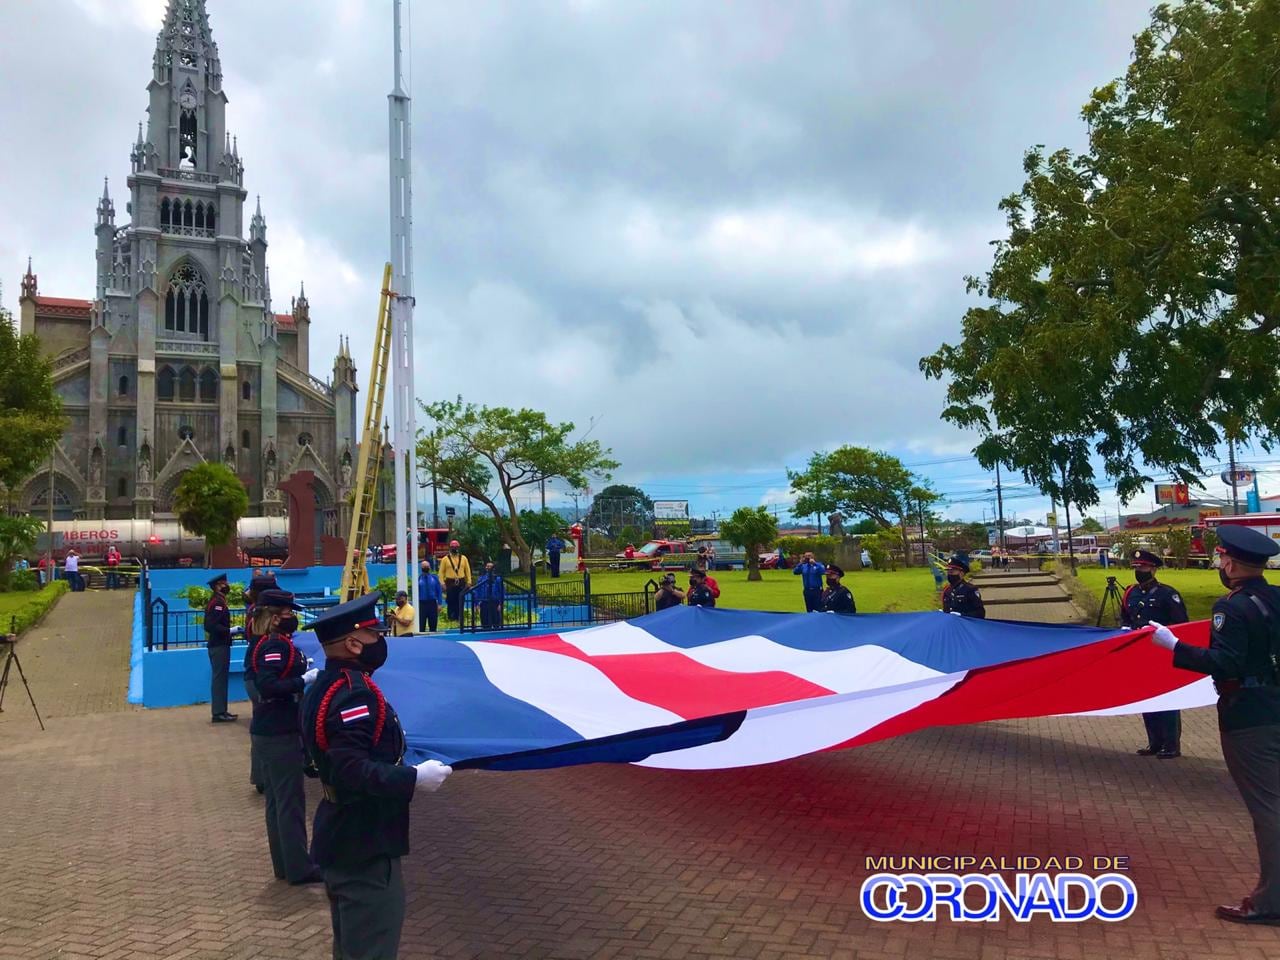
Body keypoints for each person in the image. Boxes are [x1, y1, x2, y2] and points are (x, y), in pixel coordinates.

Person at [301, 593, 452, 959]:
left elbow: (314, 760)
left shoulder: (324, 685)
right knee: (371, 949)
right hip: (363, 842)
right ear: (353, 644)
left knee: (353, 948)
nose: (380, 641)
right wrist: (412, 779)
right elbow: (348, 768)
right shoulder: (355, 695)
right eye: (374, 635)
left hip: (341, 833)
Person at [1149, 524, 1280, 925]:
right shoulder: (1276, 597)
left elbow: (1226, 663)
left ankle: (1270, 902)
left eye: (1222, 557)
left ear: (1233, 563)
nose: (1220, 564)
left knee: (1268, 808)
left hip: (1250, 715)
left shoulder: (1232, 607)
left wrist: (1175, 647)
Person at [244, 588, 322, 885]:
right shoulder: (273, 645)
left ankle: (285, 864)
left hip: (271, 730)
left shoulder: (271, 642)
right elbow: (268, 685)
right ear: (275, 618)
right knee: (289, 803)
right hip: (279, 731)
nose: (293, 618)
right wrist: (302, 680)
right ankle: (299, 868)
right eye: (289, 614)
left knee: (278, 803)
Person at [1122, 549, 1188, 758]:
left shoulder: (1168, 594)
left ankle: (1171, 744)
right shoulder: (1131, 593)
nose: (1139, 571)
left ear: (1153, 568)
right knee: (1147, 698)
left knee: (1167, 700)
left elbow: (1181, 625)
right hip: (1141, 655)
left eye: (1142, 567)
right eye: (1136, 567)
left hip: (1162, 655)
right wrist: (1125, 629)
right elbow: (1126, 618)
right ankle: (1154, 742)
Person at [243, 570, 280, 793]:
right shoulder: (261, 620)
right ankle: (266, 776)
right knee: (268, 730)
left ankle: (261, 777)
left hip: (253, 677)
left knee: (261, 727)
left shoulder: (254, 614)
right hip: (260, 680)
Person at [204, 573, 236, 723]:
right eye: (224, 583)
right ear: (218, 586)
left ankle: (222, 710)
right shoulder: (217, 602)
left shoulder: (219, 600)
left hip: (221, 644)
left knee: (222, 679)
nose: (227, 585)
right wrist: (229, 631)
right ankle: (218, 712)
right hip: (219, 645)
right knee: (219, 679)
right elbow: (210, 625)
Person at [941, 553, 986, 619]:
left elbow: (980, 613)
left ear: (961, 574)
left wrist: (962, 615)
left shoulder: (970, 589)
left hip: (966, 625)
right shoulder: (947, 590)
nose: (949, 575)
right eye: (948, 572)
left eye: (952, 572)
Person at [438, 541, 472, 622]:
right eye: (453, 547)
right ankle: (451, 618)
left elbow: (467, 571)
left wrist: (469, 582)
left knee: (460, 601)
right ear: (450, 548)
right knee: (451, 601)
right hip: (450, 583)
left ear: (458, 548)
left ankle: (460, 619)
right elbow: (441, 573)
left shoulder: (464, 558)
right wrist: (442, 583)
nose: (454, 548)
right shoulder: (445, 559)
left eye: (456, 547)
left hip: (461, 582)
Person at [474, 561, 505, 630]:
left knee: (496, 620)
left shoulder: (498, 579)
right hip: (484, 602)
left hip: (495, 602)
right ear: (485, 567)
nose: (489, 568)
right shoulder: (481, 579)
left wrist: (501, 603)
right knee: (485, 619)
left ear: (493, 568)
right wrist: (476, 604)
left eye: (490, 566)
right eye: (487, 566)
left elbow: (502, 592)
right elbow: (477, 591)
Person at [417, 561, 442, 633]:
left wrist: (439, 604)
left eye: (427, 566)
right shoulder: (419, 579)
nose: (426, 568)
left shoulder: (434, 578)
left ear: (430, 567)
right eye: (424, 567)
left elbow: (439, 591)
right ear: (421, 568)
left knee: (433, 623)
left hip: (432, 603)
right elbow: (416, 592)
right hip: (422, 604)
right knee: (421, 624)